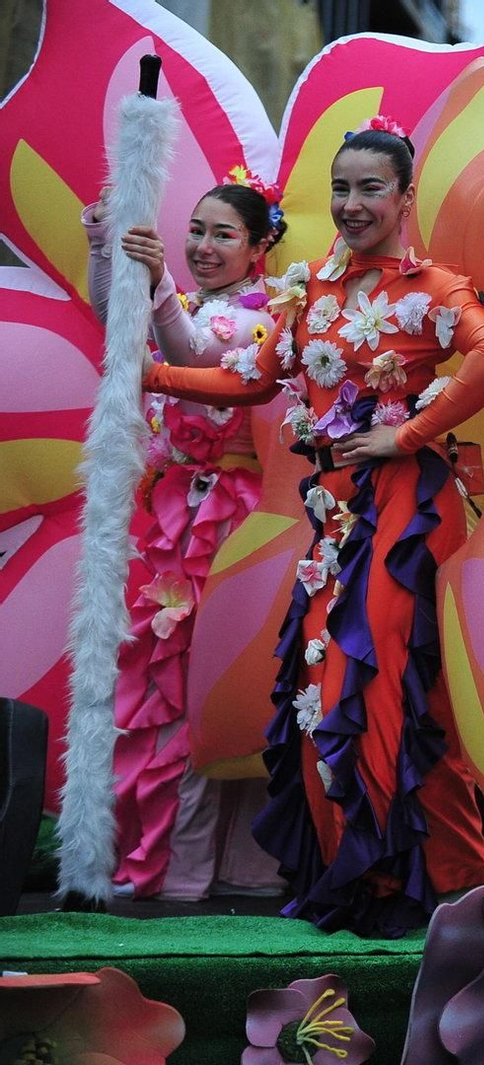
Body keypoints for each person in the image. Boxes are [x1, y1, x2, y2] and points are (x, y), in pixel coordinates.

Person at [140, 118, 484, 936]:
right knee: (321, 691)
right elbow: (249, 378)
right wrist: (152, 372)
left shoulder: (431, 288)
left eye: (369, 187)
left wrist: (407, 433)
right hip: (334, 514)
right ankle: (383, 879)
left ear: (406, 196)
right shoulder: (307, 288)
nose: (351, 203)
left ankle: (442, 882)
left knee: (379, 687)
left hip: (407, 512)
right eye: (341, 188)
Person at [84, 171, 286, 901]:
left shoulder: (264, 317)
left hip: (229, 523)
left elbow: (194, 354)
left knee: (210, 688)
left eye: (222, 234)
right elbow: (122, 322)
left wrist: (159, 279)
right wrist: (105, 244)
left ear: (260, 246)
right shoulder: (201, 301)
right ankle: (174, 863)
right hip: (177, 513)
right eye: (195, 230)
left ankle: (214, 870)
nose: (203, 245)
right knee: (165, 686)